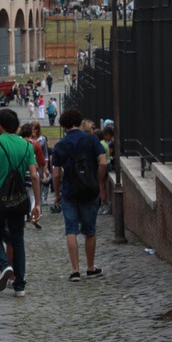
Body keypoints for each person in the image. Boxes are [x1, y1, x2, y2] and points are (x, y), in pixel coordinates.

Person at [0, 108, 39, 297]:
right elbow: (34, 175)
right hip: (18, 199)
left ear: (1, 124)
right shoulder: (26, 146)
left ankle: (5, 265)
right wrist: (37, 204)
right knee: (17, 240)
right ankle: (20, 285)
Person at [52, 107, 106, 281]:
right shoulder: (91, 139)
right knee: (90, 231)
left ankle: (75, 270)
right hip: (90, 190)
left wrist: (57, 195)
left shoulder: (60, 145)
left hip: (69, 191)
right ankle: (90, 267)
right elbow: (103, 162)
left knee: (71, 230)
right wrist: (97, 181)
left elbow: (56, 173)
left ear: (64, 125)